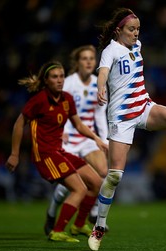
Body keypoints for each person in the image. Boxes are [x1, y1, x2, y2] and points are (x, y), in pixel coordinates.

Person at [87, 7, 166, 251]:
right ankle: (100, 225)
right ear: (119, 30)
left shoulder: (137, 46)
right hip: (121, 118)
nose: (136, 33)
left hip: (144, 107)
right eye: (131, 29)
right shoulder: (110, 50)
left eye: (138, 29)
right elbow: (103, 72)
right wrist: (101, 87)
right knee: (114, 176)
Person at [5, 60, 108, 243]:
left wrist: (96, 139)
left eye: (61, 76)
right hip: (45, 155)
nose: (59, 80)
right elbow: (19, 123)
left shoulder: (67, 99)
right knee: (80, 189)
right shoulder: (39, 101)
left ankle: (78, 225)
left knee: (95, 183)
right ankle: (57, 230)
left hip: (59, 151)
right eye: (55, 77)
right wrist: (14, 154)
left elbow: (77, 124)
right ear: (46, 80)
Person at [44, 45, 110, 237]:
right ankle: (51, 211)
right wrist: (61, 131)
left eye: (91, 58)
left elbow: (100, 114)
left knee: (104, 171)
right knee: (70, 185)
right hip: (69, 139)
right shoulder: (69, 83)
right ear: (77, 62)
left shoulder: (99, 83)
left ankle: (94, 211)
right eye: (84, 58)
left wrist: (103, 140)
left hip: (87, 139)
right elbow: (57, 109)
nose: (89, 61)